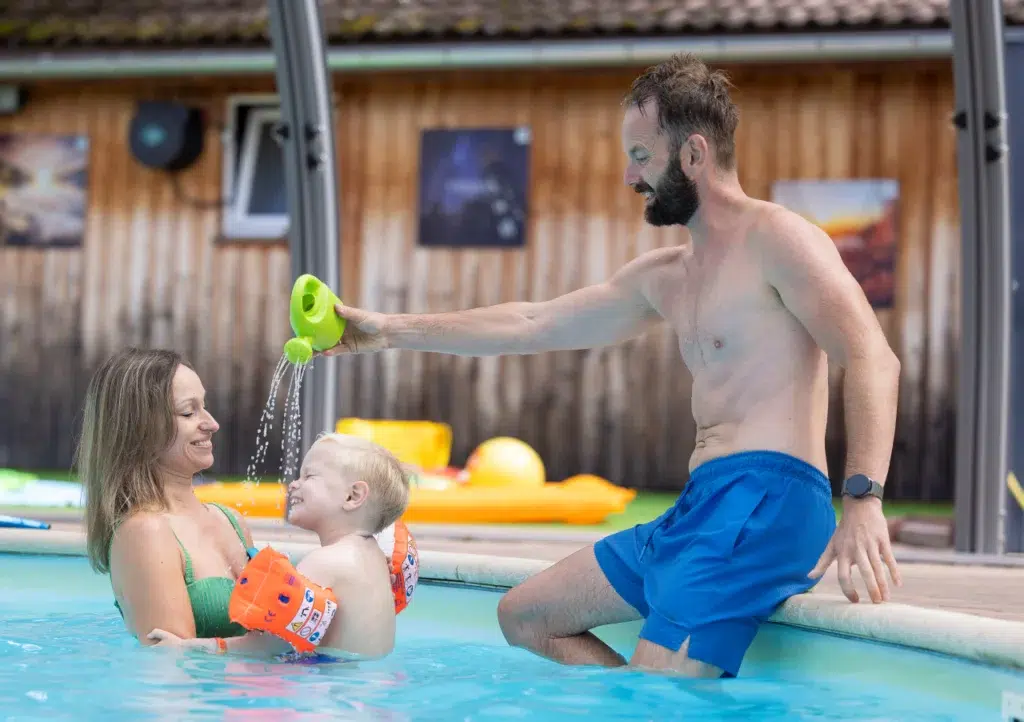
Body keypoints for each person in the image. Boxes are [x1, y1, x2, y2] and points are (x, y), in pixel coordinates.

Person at [318, 52, 902, 678]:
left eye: (642, 156)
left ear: (694, 155)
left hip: (767, 501)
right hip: (702, 505)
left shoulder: (779, 241)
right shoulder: (667, 277)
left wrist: (863, 499)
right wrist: (389, 332)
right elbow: (532, 323)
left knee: (654, 696)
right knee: (526, 616)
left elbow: (872, 356)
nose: (630, 176)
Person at [149, 433, 415, 659]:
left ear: (353, 496)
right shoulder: (377, 560)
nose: (295, 484)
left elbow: (270, 645)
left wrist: (190, 647)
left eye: (309, 476)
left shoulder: (326, 562)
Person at [79, 347, 259, 645]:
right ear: (141, 428)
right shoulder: (145, 533)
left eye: (205, 406)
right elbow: (175, 669)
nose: (212, 424)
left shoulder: (232, 521)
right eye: (189, 411)